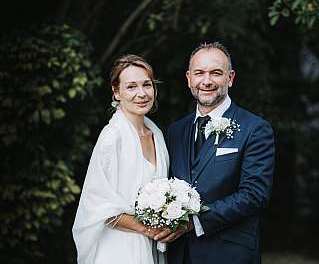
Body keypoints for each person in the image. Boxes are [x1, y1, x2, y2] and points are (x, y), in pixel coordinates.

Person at [161, 42, 275, 264]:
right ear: (188, 79)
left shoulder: (255, 128)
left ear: (230, 78)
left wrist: (194, 221)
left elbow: (254, 194)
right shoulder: (175, 131)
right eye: (199, 73)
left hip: (229, 254)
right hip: (179, 255)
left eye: (216, 73)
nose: (206, 81)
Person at [72, 55, 171, 264]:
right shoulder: (112, 136)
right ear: (116, 92)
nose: (142, 94)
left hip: (150, 244)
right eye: (131, 87)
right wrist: (149, 228)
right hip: (119, 247)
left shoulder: (156, 134)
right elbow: (98, 206)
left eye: (147, 85)